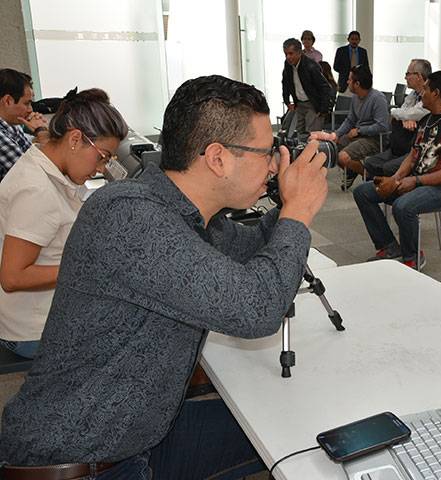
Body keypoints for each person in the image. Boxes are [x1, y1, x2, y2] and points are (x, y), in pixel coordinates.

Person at [0, 75, 328, 479]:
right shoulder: (128, 215)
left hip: (140, 434)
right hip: (81, 460)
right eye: (266, 153)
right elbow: (257, 310)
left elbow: (254, 247)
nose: (274, 164)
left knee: (297, 428)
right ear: (217, 158)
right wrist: (297, 213)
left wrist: (295, 197)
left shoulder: (183, 213)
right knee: (288, 435)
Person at [0, 88, 127, 360]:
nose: (101, 168)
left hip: (47, 312)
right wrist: (88, 267)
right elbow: (12, 277)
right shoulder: (36, 190)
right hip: (33, 330)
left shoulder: (46, 163)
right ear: (75, 139)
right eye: (102, 156)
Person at [353, 71, 441, 270]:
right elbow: (413, 155)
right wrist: (396, 178)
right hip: (416, 180)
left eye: (425, 89)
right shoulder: (427, 119)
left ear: (436, 93)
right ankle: (389, 246)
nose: (421, 93)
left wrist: (415, 181)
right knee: (362, 192)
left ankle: (413, 257)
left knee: (403, 206)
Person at [310, 64, 389, 190]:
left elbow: (382, 126)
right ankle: (352, 171)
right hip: (358, 135)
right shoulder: (355, 97)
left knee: (342, 156)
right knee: (331, 149)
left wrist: (359, 131)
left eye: (349, 79)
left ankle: (368, 175)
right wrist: (336, 134)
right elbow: (350, 120)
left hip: (373, 139)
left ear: (357, 84)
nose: (347, 82)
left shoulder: (378, 98)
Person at [364, 59, 431, 179]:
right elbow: (403, 112)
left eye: (408, 74)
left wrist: (401, 115)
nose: (405, 77)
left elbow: (411, 113)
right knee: (370, 163)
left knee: (387, 168)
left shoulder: (429, 97)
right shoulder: (413, 94)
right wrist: (405, 118)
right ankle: (376, 188)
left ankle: (388, 188)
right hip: (400, 144)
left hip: (414, 149)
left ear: (419, 76)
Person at [0, 68, 49, 182]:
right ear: (8, 101)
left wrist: (40, 135)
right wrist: (42, 132)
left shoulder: (13, 125)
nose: (30, 110)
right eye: (27, 103)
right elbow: (34, 175)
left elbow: (31, 156)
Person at [282, 37, 333, 136]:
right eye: (286, 54)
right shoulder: (287, 65)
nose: (288, 57)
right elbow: (285, 83)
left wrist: (323, 110)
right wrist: (287, 101)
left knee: (312, 136)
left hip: (313, 104)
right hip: (299, 104)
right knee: (298, 134)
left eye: (291, 53)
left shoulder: (311, 66)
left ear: (299, 52)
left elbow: (325, 87)